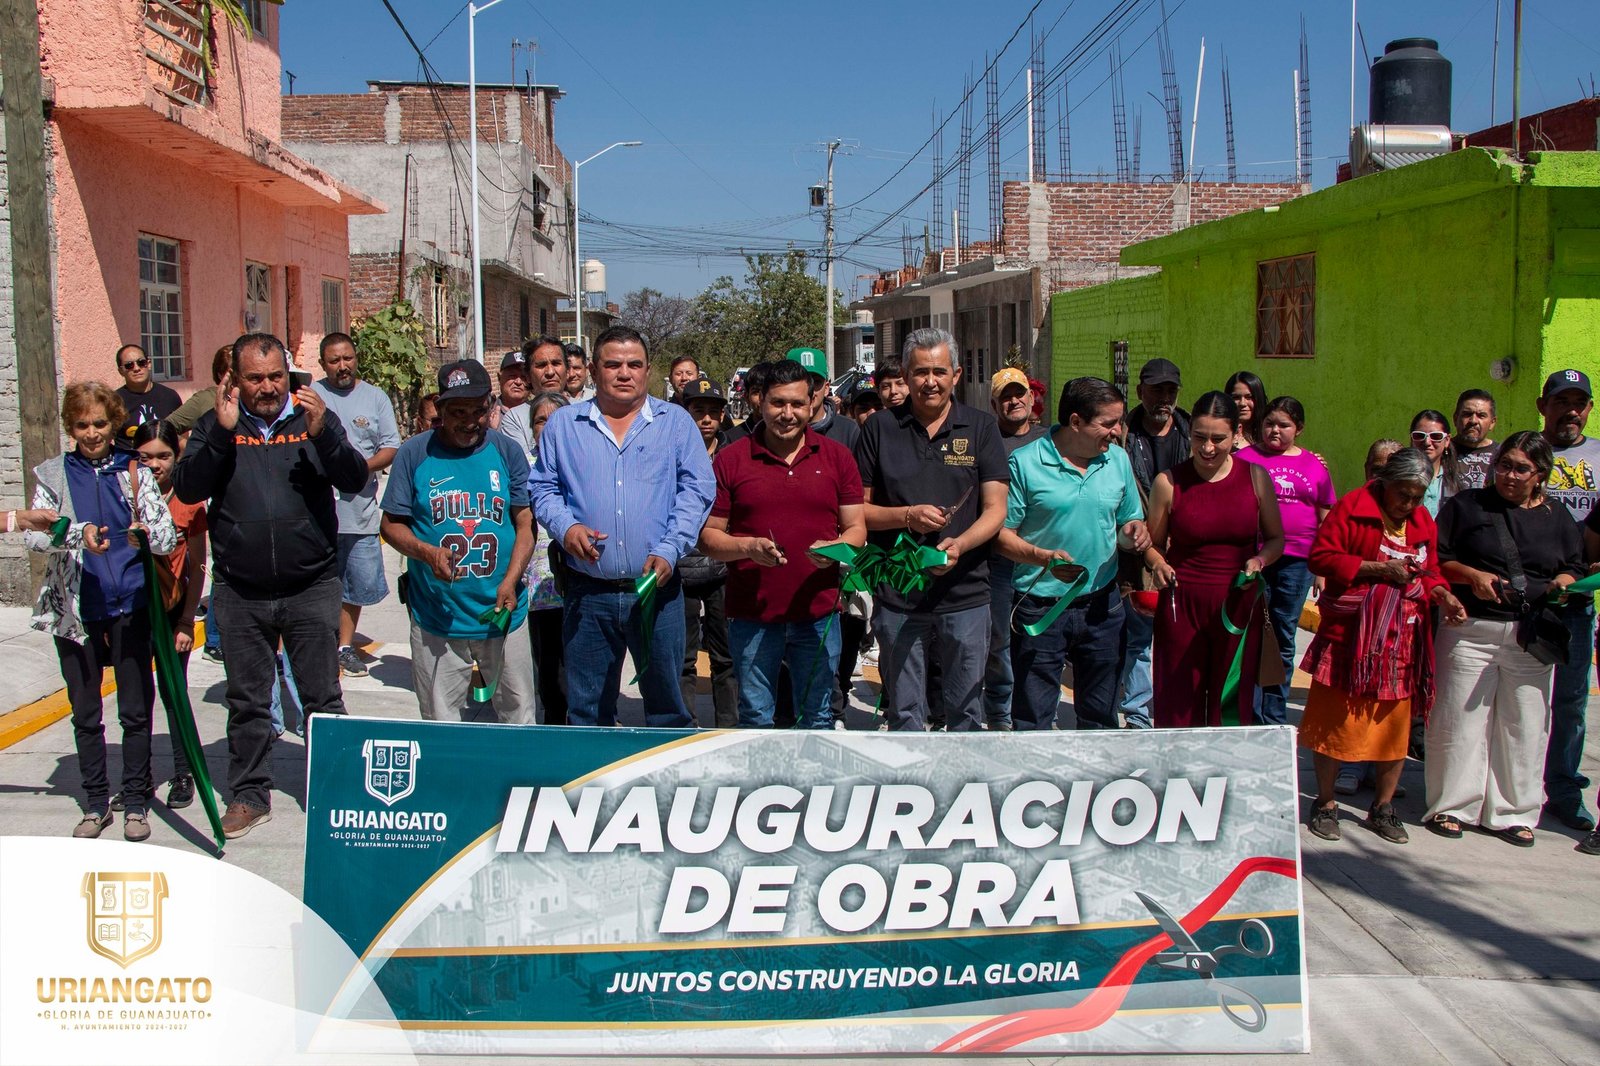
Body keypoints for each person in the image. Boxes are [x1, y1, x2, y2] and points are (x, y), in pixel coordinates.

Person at [172, 332, 370, 839]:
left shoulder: (313, 417)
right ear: (235, 380)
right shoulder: (216, 424)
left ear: (289, 374)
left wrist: (324, 435)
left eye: (276, 376)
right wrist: (221, 433)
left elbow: (353, 479)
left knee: (322, 697)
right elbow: (189, 488)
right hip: (241, 591)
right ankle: (249, 795)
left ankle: (336, 789)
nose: (267, 387)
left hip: (310, 585)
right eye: (255, 378)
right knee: (248, 701)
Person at [530, 325, 715, 727]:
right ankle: (593, 770)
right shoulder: (564, 425)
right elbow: (542, 488)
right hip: (587, 592)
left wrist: (670, 547)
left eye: (634, 364)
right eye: (613, 364)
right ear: (593, 370)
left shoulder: (676, 423)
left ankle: (664, 770)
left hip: (657, 594)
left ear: (648, 370)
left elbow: (697, 491)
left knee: (668, 709)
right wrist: (566, 528)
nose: (624, 373)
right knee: (587, 711)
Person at [26, 383, 176, 841]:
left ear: (113, 424)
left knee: (135, 711)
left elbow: (167, 538)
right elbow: (35, 536)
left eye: (99, 423)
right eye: (81, 425)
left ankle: (135, 801)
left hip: (130, 605)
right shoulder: (53, 474)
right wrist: (78, 534)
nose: (91, 433)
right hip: (76, 612)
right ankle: (95, 803)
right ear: (70, 427)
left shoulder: (135, 472)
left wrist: (144, 534)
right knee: (86, 713)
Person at [1299, 448, 1467, 844]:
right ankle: (1325, 803)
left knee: (1394, 728)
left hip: (1400, 639)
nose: (1408, 503)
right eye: (1402, 494)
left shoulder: (1422, 521)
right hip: (1351, 637)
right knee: (1335, 722)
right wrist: (1378, 569)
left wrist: (1443, 594)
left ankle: (1383, 807)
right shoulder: (1352, 508)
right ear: (1385, 482)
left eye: (1416, 496)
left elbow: (1429, 571)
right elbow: (1321, 557)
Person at [1428, 432, 1583, 846]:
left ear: (1540, 474)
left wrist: (1565, 581)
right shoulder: (1466, 506)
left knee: (1525, 725)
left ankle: (1513, 812)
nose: (1510, 475)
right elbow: (1438, 558)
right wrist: (1471, 576)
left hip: (1531, 634)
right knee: (1458, 720)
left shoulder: (1557, 516)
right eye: (1504, 465)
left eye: (1521, 469)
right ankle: (1452, 806)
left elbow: (1574, 564)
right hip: (1470, 629)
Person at [855, 328, 1008, 732]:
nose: (930, 381)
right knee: (904, 713)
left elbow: (995, 510)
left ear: (956, 374)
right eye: (920, 372)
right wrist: (907, 516)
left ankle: (961, 775)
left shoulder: (980, 428)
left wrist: (961, 544)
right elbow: (858, 512)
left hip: (966, 593)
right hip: (898, 594)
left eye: (939, 371)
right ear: (906, 375)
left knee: (967, 713)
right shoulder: (879, 428)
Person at [700, 359, 866, 728]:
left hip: (818, 613)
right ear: (760, 401)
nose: (787, 414)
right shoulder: (731, 459)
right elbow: (708, 537)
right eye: (777, 403)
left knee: (818, 716)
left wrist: (834, 550)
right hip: (752, 616)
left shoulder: (837, 457)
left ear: (812, 403)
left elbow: (856, 529)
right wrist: (748, 548)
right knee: (755, 717)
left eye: (796, 404)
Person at [381, 360, 537, 724]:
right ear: (440, 409)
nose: (470, 422)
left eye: (478, 411)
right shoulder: (414, 454)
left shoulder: (507, 452)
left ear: (491, 406)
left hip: (504, 612)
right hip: (438, 615)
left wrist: (511, 580)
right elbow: (390, 525)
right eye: (458, 412)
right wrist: (426, 553)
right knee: (441, 720)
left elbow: (525, 523)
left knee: (519, 717)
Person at [999, 377, 1148, 731]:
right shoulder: (1025, 463)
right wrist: (1040, 556)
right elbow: (1002, 536)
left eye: (1119, 422)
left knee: (1100, 717)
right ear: (1076, 421)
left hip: (1102, 606)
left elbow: (1128, 519)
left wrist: (1133, 532)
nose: (1117, 431)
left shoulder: (1118, 460)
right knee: (1032, 717)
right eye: (1109, 423)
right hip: (1040, 607)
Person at [1144, 390, 1285, 728]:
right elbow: (1153, 545)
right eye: (1199, 437)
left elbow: (1276, 539)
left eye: (1218, 439)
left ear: (1237, 434)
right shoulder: (1168, 482)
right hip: (1182, 607)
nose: (1207, 448)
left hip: (1238, 605)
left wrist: (1260, 561)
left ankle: (1227, 763)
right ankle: (1179, 762)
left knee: (1231, 703)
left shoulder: (1256, 478)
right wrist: (1157, 563)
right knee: (1178, 705)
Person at [1238, 397, 1337, 725]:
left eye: (1284, 425)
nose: (1275, 430)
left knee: (1282, 634)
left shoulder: (1313, 465)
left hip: (1296, 563)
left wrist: (1322, 568)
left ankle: (1274, 715)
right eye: (1269, 424)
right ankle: (1249, 712)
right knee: (1251, 634)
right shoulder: (1244, 459)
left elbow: (1326, 516)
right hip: (1254, 559)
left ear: (1299, 429)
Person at [312, 332, 401, 679]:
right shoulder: (312, 396)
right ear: (323, 364)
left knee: (357, 585)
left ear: (356, 358)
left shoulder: (376, 398)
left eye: (347, 358)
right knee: (320, 585)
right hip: (317, 515)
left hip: (360, 512)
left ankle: (344, 648)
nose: (342, 366)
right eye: (334, 360)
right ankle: (319, 646)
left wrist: (359, 469)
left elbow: (391, 446)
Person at [1536, 368, 1600, 832]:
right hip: (1528, 597)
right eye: (1561, 402)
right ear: (1543, 407)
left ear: (1590, 410)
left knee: (1571, 701)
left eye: (1579, 403)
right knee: (1515, 701)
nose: (1570, 411)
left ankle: (1562, 790)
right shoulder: (1523, 453)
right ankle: (1511, 788)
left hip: (1578, 602)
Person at [132, 420, 207, 809]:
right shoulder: (125, 497)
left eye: (163, 456)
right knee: (136, 698)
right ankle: (138, 780)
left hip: (173, 610)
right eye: (145, 457)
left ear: (176, 457)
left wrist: (185, 622)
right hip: (132, 610)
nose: (154, 465)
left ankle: (183, 772)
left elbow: (198, 566)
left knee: (173, 693)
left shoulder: (189, 502)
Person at [1120, 357, 1191, 731]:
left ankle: (1176, 710)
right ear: (1140, 391)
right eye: (1156, 389)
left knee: (1182, 637)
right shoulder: (1122, 435)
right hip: (1134, 551)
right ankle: (1137, 715)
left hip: (1184, 551)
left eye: (1170, 390)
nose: (1164, 397)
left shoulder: (1194, 434)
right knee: (1139, 637)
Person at [982, 367, 1047, 732]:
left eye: (1019, 393)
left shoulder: (1050, 440)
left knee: (1038, 638)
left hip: (1038, 559)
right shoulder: (986, 440)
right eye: (1005, 397)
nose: (1014, 401)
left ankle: (1035, 705)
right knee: (999, 640)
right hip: (998, 559)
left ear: (1031, 397)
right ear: (994, 405)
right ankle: (999, 714)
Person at [676, 377, 738, 728]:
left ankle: (728, 727)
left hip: (723, 564)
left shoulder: (734, 454)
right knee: (683, 657)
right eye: (698, 411)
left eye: (714, 412)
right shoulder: (669, 452)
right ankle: (684, 727)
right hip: (680, 564)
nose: (707, 419)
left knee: (725, 655)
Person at [523, 391, 570, 724]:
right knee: (549, 667)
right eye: (541, 420)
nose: (549, 426)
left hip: (580, 583)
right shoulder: (523, 468)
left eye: (556, 419)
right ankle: (554, 724)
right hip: (540, 588)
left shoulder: (585, 463)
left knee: (582, 665)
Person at [791, 349, 859, 450]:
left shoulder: (849, 430)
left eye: (816, 382)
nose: (809, 390)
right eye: (800, 382)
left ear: (826, 388)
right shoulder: (776, 431)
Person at [114, 344, 182, 441]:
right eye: (129, 365)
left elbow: (182, 435)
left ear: (149, 364)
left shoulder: (170, 396)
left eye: (141, 362)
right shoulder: (115, 400)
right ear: (121, 371)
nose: (136, 368)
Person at [167, 345, 232, 435]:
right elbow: (165, 428)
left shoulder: (251, 401)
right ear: (220, 375)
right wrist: (186, 443)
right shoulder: (205, 399)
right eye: (232, 373)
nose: (239, 378)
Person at [1410, 409, 1458, 516]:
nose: (1427, 442)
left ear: (1447, 440)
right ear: (1412, 439)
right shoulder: (1400, 479)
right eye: (1419, 436)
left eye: (1436, 436)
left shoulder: (1459, 480)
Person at [1453, 389, 1499, 491]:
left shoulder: (1501, 454)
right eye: (1467, 414)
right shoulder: (1442, 451)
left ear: (1492, 423)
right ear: (1455, 419)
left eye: (1481, 415)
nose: (1473, 421)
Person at [494, 349, 535, 455]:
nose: (518, 382)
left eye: (523, 377)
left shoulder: (538, 413)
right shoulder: (487, 413)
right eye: (512, 376)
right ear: (499, 377)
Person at [1225, 370, 1267, 451]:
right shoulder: (1221, 437)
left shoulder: (1270, 435)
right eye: (1236, 397)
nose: (1242, 403)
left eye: (1249, 397)